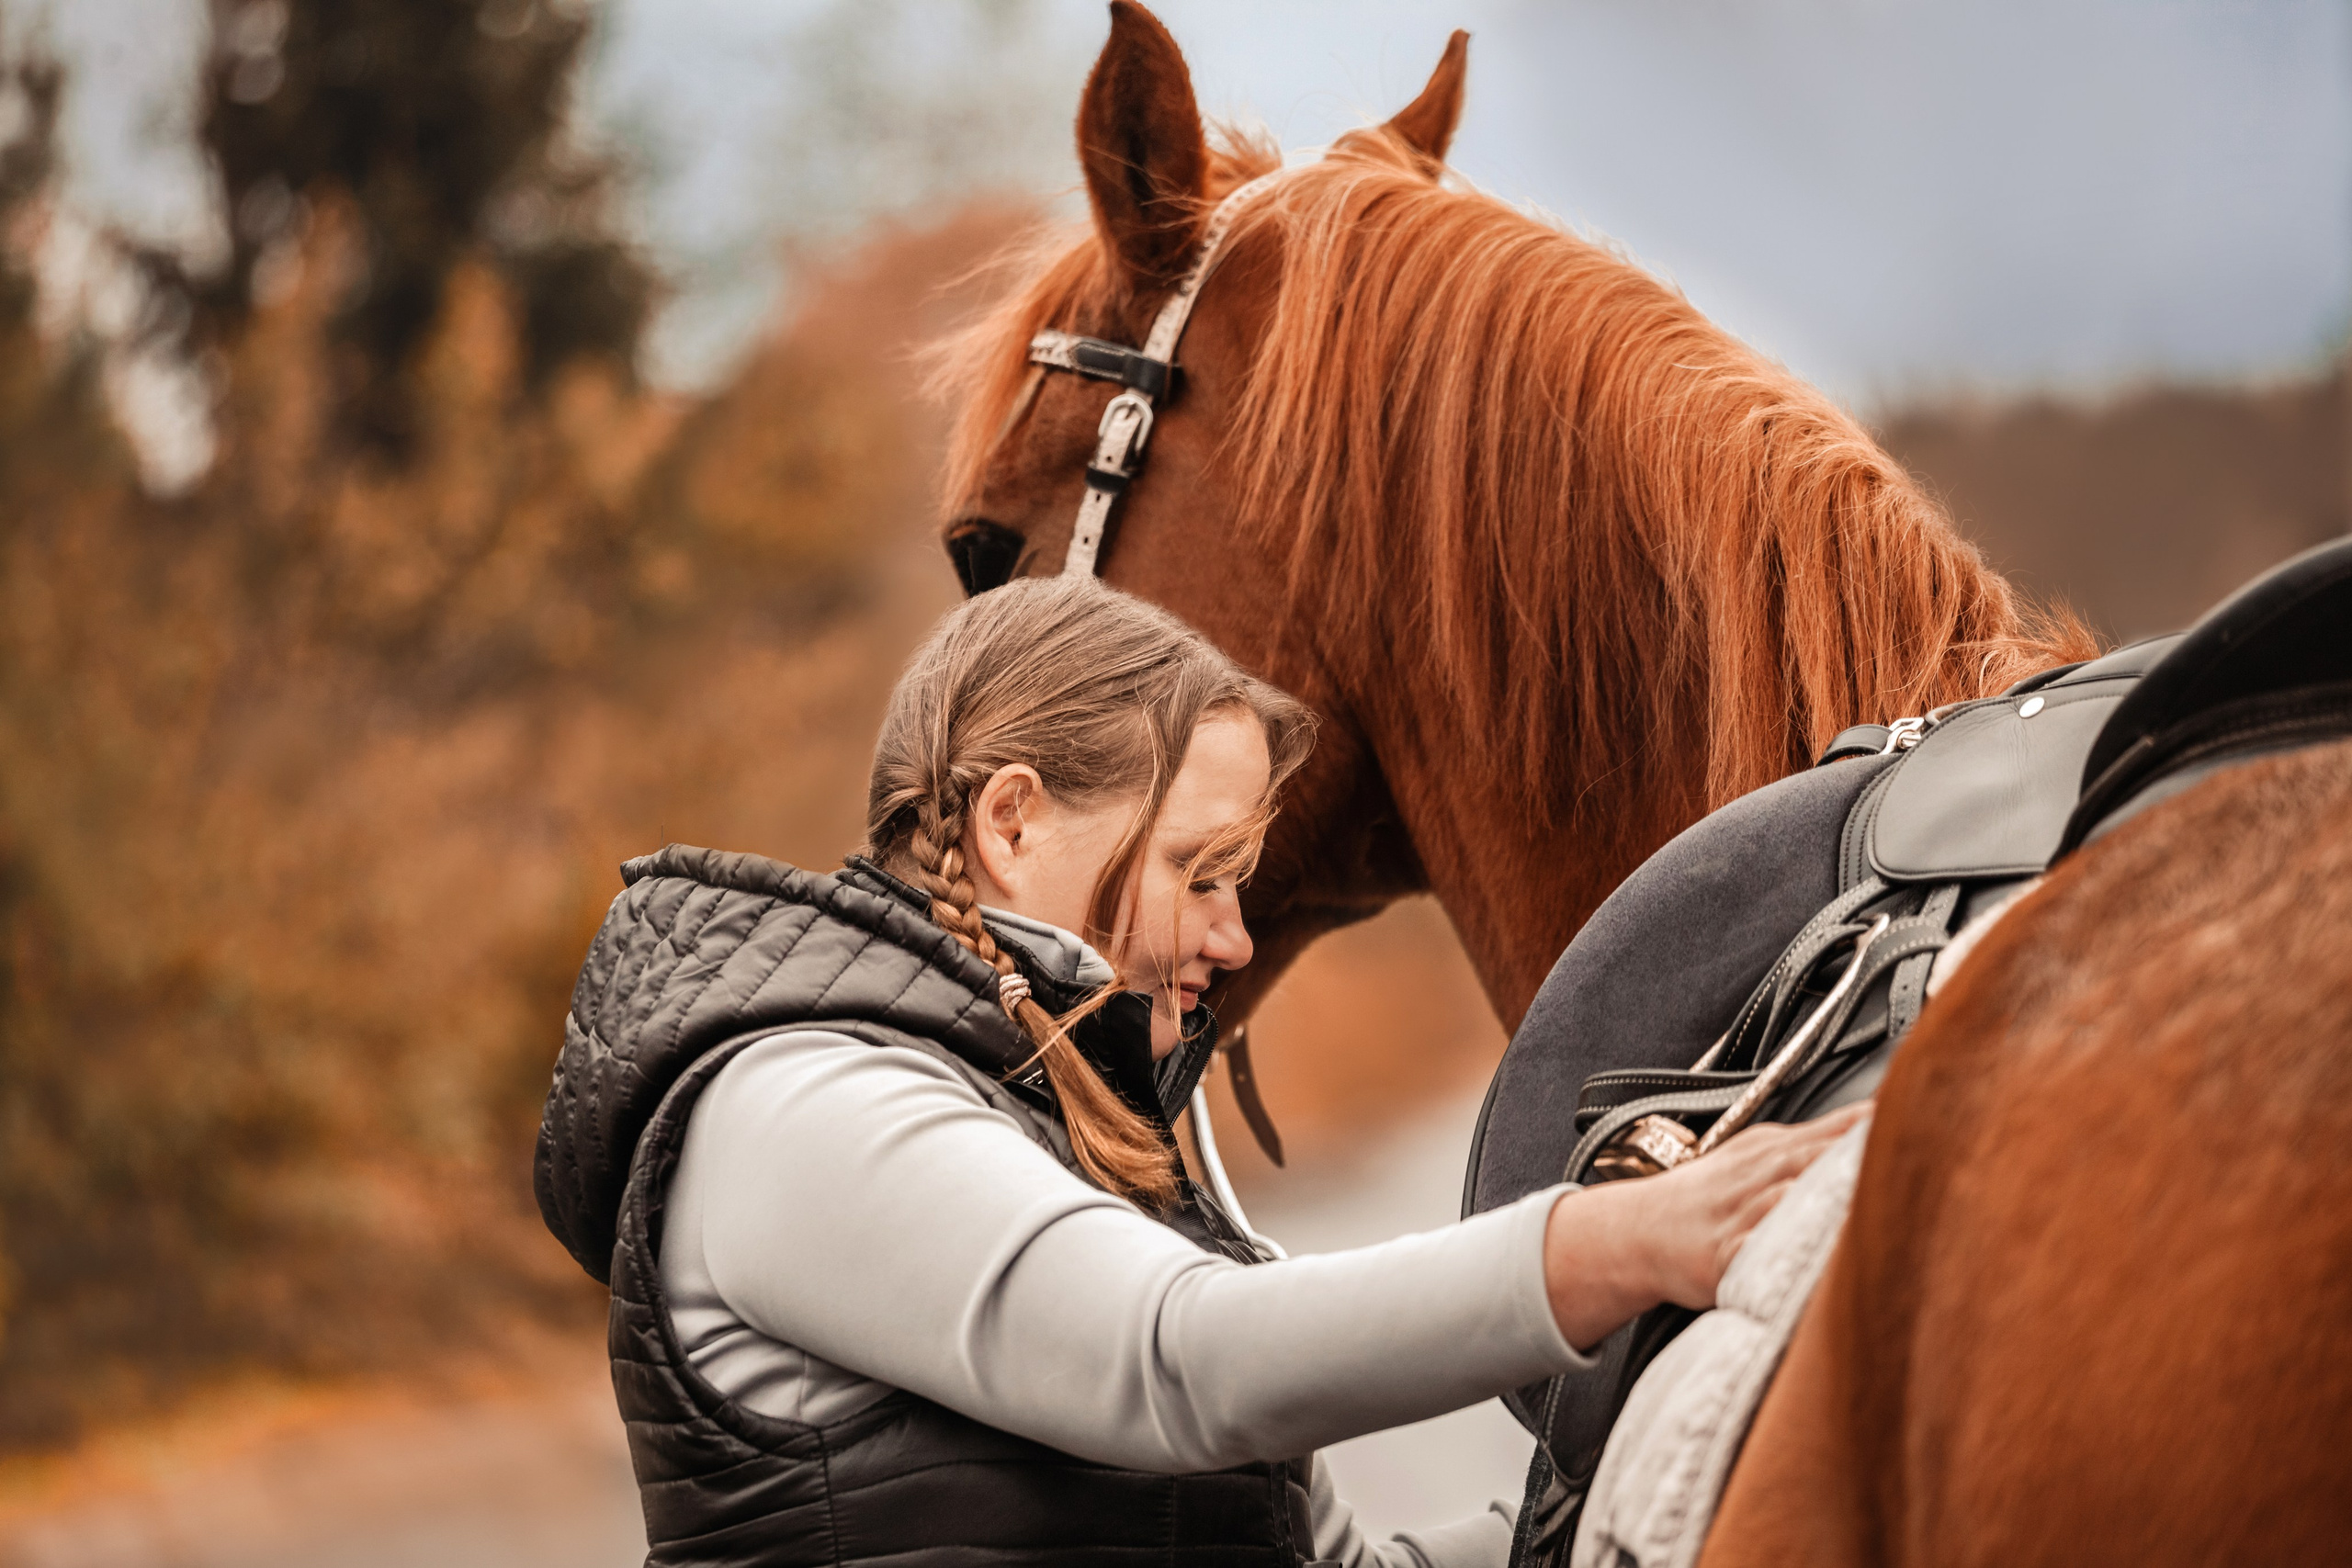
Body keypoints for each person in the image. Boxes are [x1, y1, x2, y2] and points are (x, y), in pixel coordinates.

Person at [534, 575, 1860, 1568]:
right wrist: (1623, 1244)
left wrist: (1664, 1497)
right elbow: (1180, 1363)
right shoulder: (800, 1107)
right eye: (1202, 874)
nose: (1232, 937)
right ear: (1013, 822)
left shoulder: (1083, 1120)